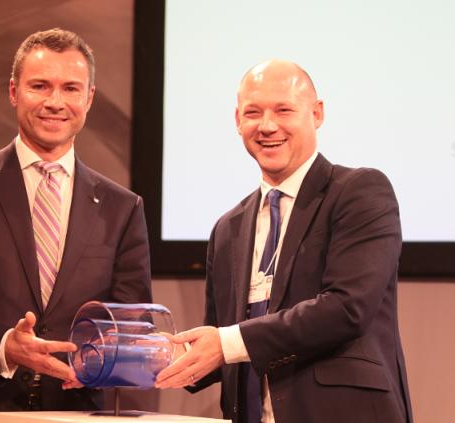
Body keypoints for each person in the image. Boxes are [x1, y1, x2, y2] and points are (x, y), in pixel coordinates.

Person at [0, 28, 152, 422]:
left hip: (73, 410)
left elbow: (130, 320)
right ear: (14, 92)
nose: (55, 102)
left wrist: (102, 358)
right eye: (40, 86)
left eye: (70, 88)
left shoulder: (122, 207)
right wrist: (5, 344)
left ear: (89, 98)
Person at [155, 60, 413, 423]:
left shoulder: (359, 191)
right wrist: (161, 356)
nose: (267, 125)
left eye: (283, 110)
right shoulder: (227, 228)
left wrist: (226, 343)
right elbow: (222, 344)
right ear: (237, 120)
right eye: (253, 112)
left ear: (317, 113)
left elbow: (347, 308)